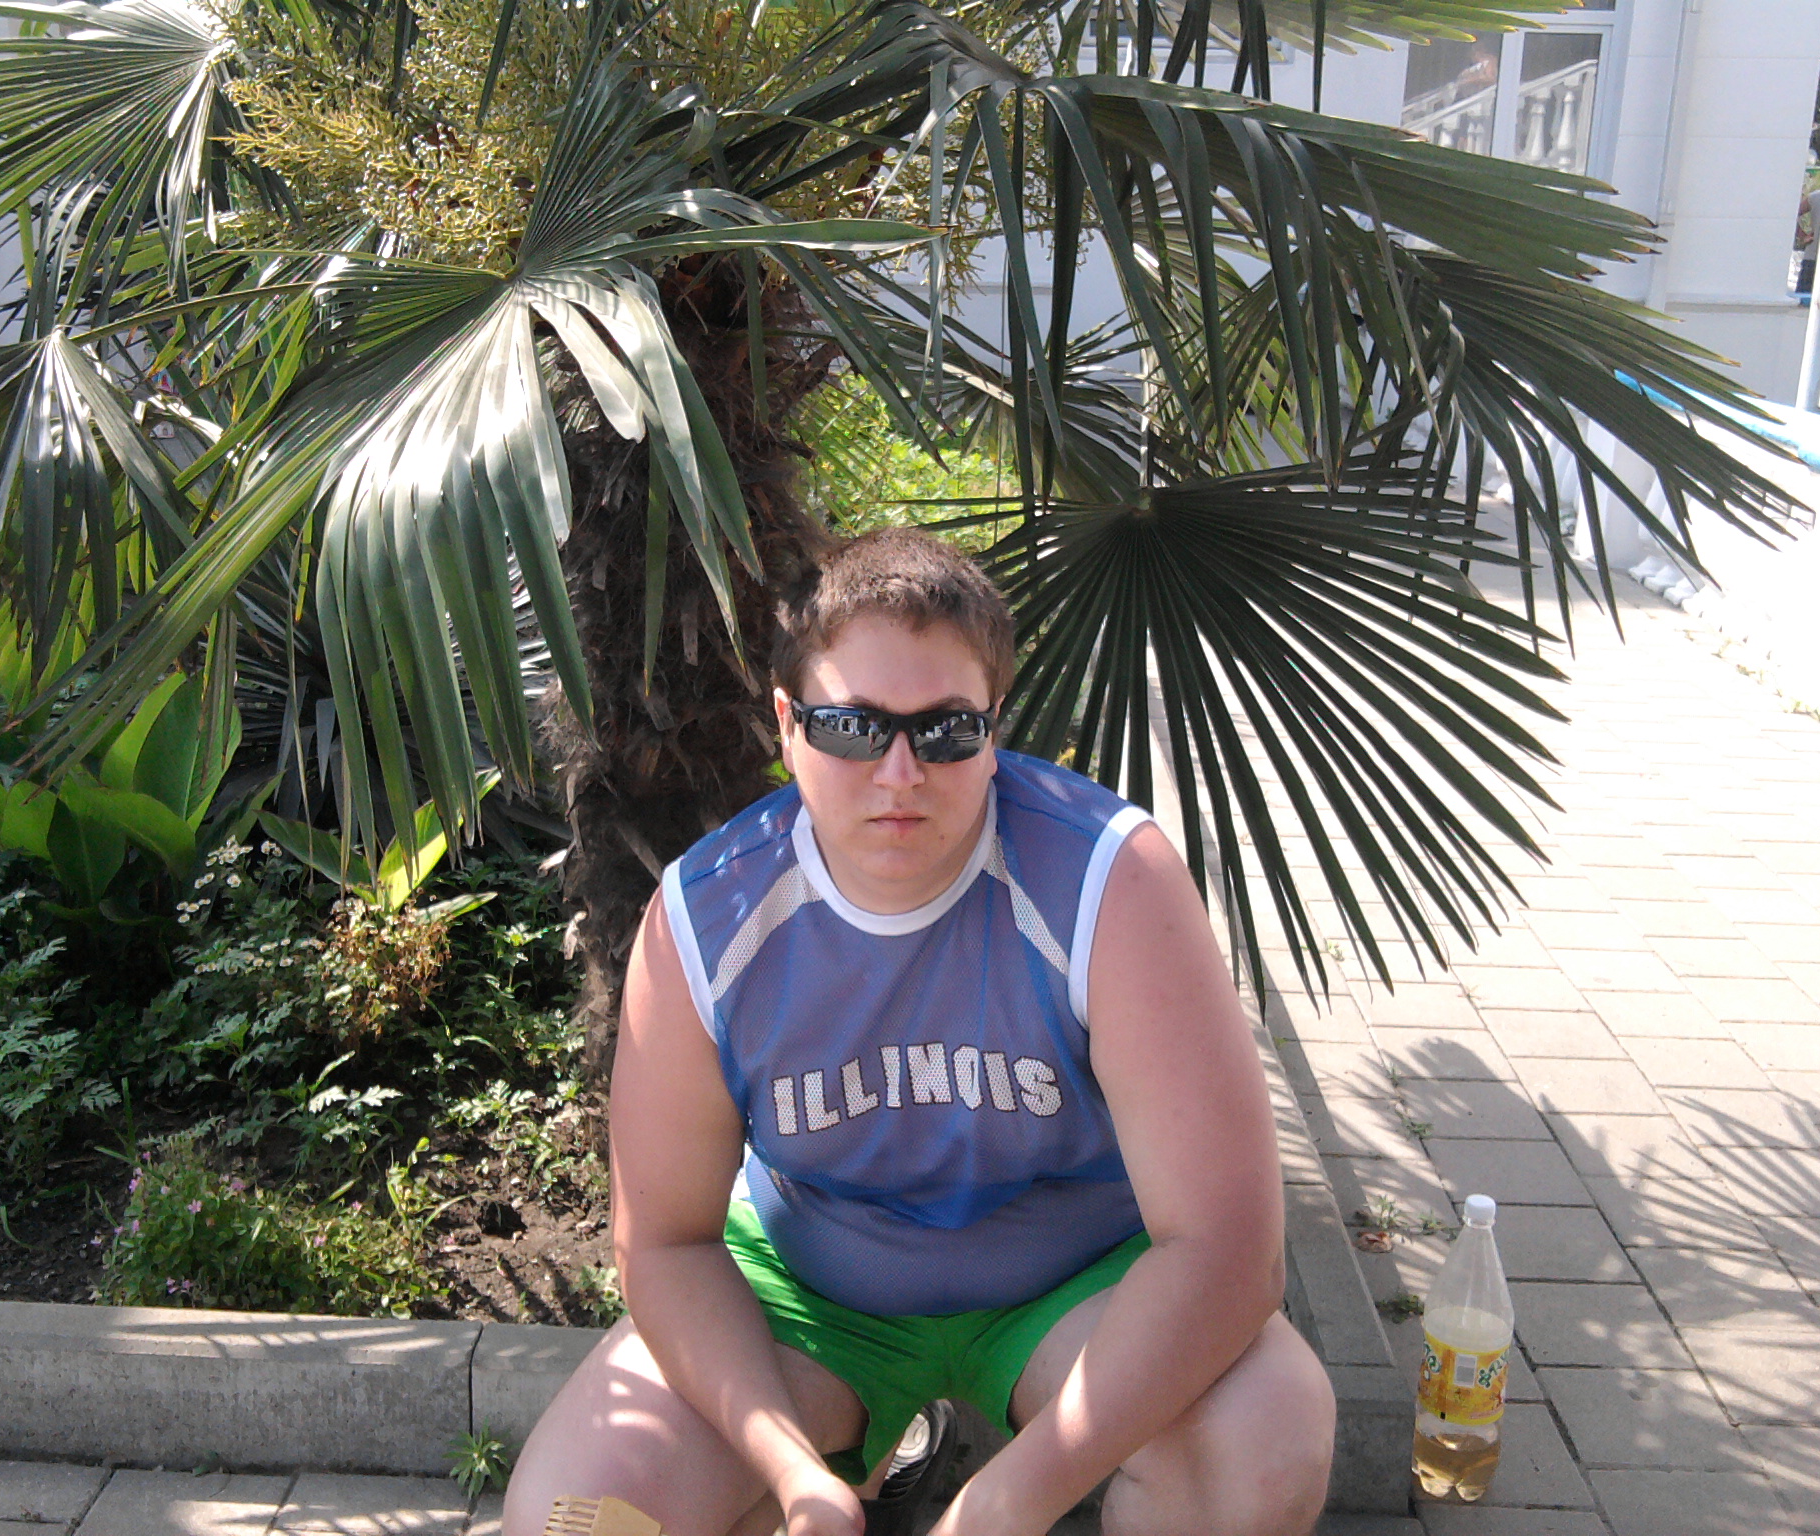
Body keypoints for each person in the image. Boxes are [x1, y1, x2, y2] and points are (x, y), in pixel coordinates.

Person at [504, 529, 1335, 1536]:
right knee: (575, 1517)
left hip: (1073, 1285)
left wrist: (1008, 1502)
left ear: (995, 727)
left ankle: (943, 1466)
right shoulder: (704, 918)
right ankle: (854, 1470)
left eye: (944, 731)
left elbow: (1227, 1248)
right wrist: (790, 1471)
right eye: (853, 727)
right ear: (787, 726)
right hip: (814, 1290)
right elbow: (666, 1243)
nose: (899, 774)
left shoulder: (1109, 881)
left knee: (1261, 1445)